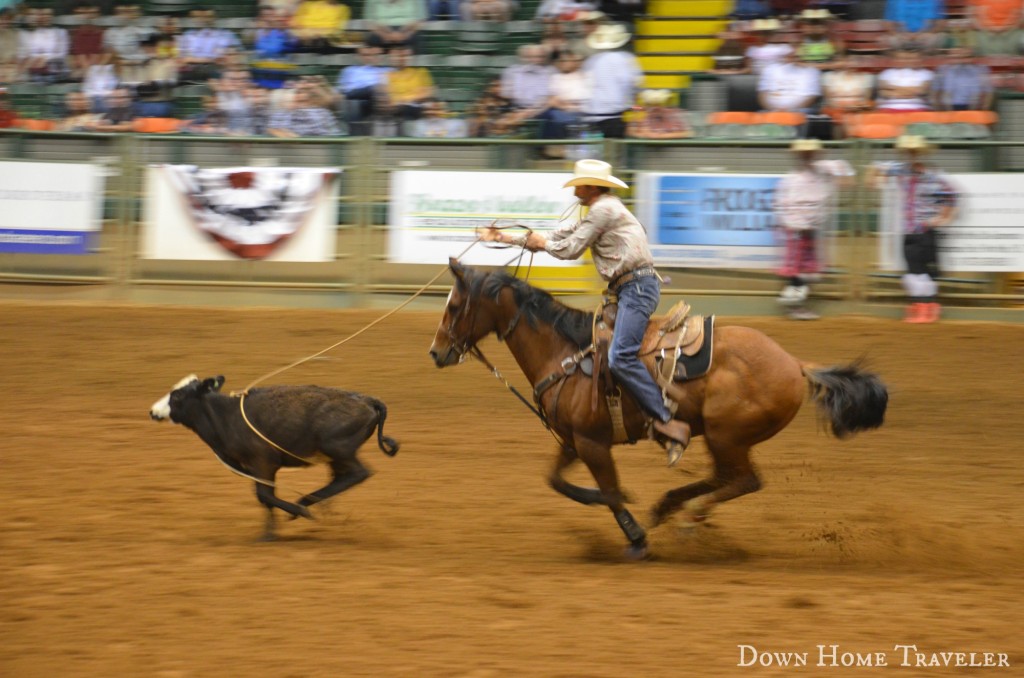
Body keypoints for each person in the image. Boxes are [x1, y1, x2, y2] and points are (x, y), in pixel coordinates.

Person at [480, 159, 692, 465]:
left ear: (590, 186)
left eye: (579, 183)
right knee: (601, 348)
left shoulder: (603, 210)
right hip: (627, 290)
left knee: (620, 355)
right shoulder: (600, 210)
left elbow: (569, 249)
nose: (575, 188)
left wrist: (537, 242)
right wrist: (504, 237)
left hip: (637, 289)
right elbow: (556, 236)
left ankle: (665, 420)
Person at [868, 135, 959, 323]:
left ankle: (925, 307)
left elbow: (950, 196)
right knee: (914, 271)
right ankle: (923, 307)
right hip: (909, 229)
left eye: (914, 151)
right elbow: (874, 169)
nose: (911, 154)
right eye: (908, 151)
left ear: (922, 154)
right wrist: (876, 180)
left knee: (920, 272)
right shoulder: (901, 170)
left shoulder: (933, 176)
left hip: (924, 229)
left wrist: (941, 217)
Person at [773, 138, 854, 320]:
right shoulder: (790, 180)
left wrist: (830, 169)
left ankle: (795, 302)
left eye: (809, 154)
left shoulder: (823, 170)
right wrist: (794, 225)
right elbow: (782, 206)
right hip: (796, 230)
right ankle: (794, 304)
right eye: (803, 154)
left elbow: (847, 174)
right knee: (798, 269)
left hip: (811, 230)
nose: (806, 157)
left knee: (810, 271)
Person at [581, 23, 642, 138]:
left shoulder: (591, 61)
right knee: (615, 151)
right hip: (614, 117)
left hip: (590, 116)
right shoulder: (626, 59)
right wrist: (633, 106)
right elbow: (633, 84)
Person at [626, 88, 691, 139]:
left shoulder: (674, 113)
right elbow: (629, 131)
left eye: (659, 104)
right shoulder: (641, 114)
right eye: (652, 104)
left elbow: (688, 133)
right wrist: (643, 134)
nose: (656, 108)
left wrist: (660, 136)